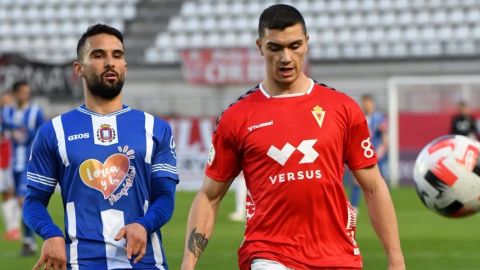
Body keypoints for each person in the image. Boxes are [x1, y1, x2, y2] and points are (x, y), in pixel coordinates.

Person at [181, 4, 405, 270]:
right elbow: (209, 196)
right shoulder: (236, 117)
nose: (286, 57)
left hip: (338, 254)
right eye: (275, 48)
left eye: (294, 46)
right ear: (260, 46)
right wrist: (188, 262)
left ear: (307, 44)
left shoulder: (342, 108)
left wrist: (395, 257)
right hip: (269, 254)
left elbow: (373, 186)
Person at [23, 24, 179, 269]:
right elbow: (33, 201)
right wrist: (50, 234)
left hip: (145, 262)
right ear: (79, 69)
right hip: (80, 263)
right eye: (98, 55)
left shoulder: (155, 128)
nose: (110, 62)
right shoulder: (53, 132)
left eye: (117, 55)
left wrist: (144, 224)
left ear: (125, 66)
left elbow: (165, 197)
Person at [2, 81, 44, 255]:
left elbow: (42, 134)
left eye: (27, 93)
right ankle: (28, 241)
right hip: (12, 163)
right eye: (21, 93)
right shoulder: (7, 111)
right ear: (14, 93)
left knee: (22, 200)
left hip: (29, 162)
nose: (24, 96)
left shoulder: (35, 112)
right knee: (19, 203)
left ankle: (31, 240)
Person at [349, 94, 389, 212]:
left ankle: (381, 208)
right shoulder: (357, 118)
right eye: (365, 103)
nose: (367, 106)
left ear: (373, 104)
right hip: (360, 156)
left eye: (369, 103)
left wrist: (379, 153)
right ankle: (354, 209)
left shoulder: (379, 118)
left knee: (380, 183)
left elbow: (385, 138)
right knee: (357, 182)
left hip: (377, 157)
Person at [0, 92, 21, 241]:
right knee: (7, 194)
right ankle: (12, 228)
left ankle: (15, 228)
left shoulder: (14, 115)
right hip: (4, 159)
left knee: (13, 193)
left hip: (10, 160)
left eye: (8, 99)